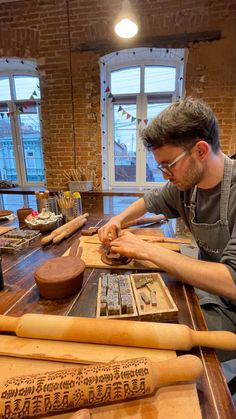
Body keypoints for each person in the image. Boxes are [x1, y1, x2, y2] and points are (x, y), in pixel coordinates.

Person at [98, 97, 236, 363]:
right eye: (160, 166)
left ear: (201, 151)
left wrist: (148, 251)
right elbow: (149, 201)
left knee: (158, 348)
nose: (164, 175)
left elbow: (232, 281)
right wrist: (117, 219)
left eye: (169, 165)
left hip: (231, 309)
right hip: (209, 293)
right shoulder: (186, 186)